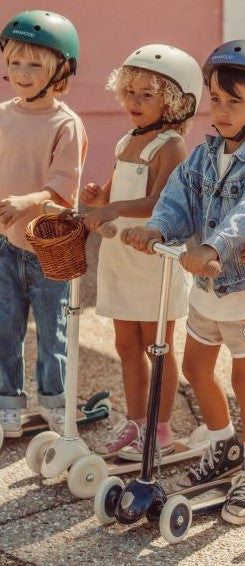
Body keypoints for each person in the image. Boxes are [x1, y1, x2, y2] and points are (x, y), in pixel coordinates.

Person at [122, 39, 245, 524]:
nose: (219, 111)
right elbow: (177, 196)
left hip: (244, 293)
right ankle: (224, 445)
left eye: (233, 102)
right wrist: (158, 228)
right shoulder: (204, 152)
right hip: (206, 291)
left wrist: (212, 247)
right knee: (196, 370)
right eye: (215, 99)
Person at [79, 45, 203, 461]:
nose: (133, 101)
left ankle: (161, 427)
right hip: (121, 254)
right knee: (126, 345)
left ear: (174, 101)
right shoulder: (128, 141)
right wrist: (102, 196)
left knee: (158, 347)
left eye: (146, 94)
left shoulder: (171, 147)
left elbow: (159, 203)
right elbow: (118, 191)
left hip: (152, 258)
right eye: (129, 92)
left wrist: (113, 208)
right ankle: (135, 420)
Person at [0, 10, 87, 436]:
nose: (22, 72)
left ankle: (56, 405)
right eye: (15, 62)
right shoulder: (3, 114)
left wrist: (25, 201)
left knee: (53, 336)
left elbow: (62, 188)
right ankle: (6, 405)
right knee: (4, 328)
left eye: (35, 63)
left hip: (50, 247)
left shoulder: (65, 124)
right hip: (4, 244)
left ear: (61, 70)